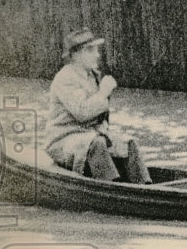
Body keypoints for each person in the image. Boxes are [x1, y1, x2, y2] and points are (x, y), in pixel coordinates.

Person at [44, 28, 152, 184]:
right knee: (97, 143)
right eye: (90, 50)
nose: (97, 54)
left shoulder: (92, 75)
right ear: (75, 55)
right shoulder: (65, 78)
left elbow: (101, 118)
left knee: (128, 143)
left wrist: (110, 137)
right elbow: (82, 113)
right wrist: (103, 92)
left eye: (95, 49)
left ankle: (145, 186)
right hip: (62, 141)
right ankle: (112, 189)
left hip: (89, 135)